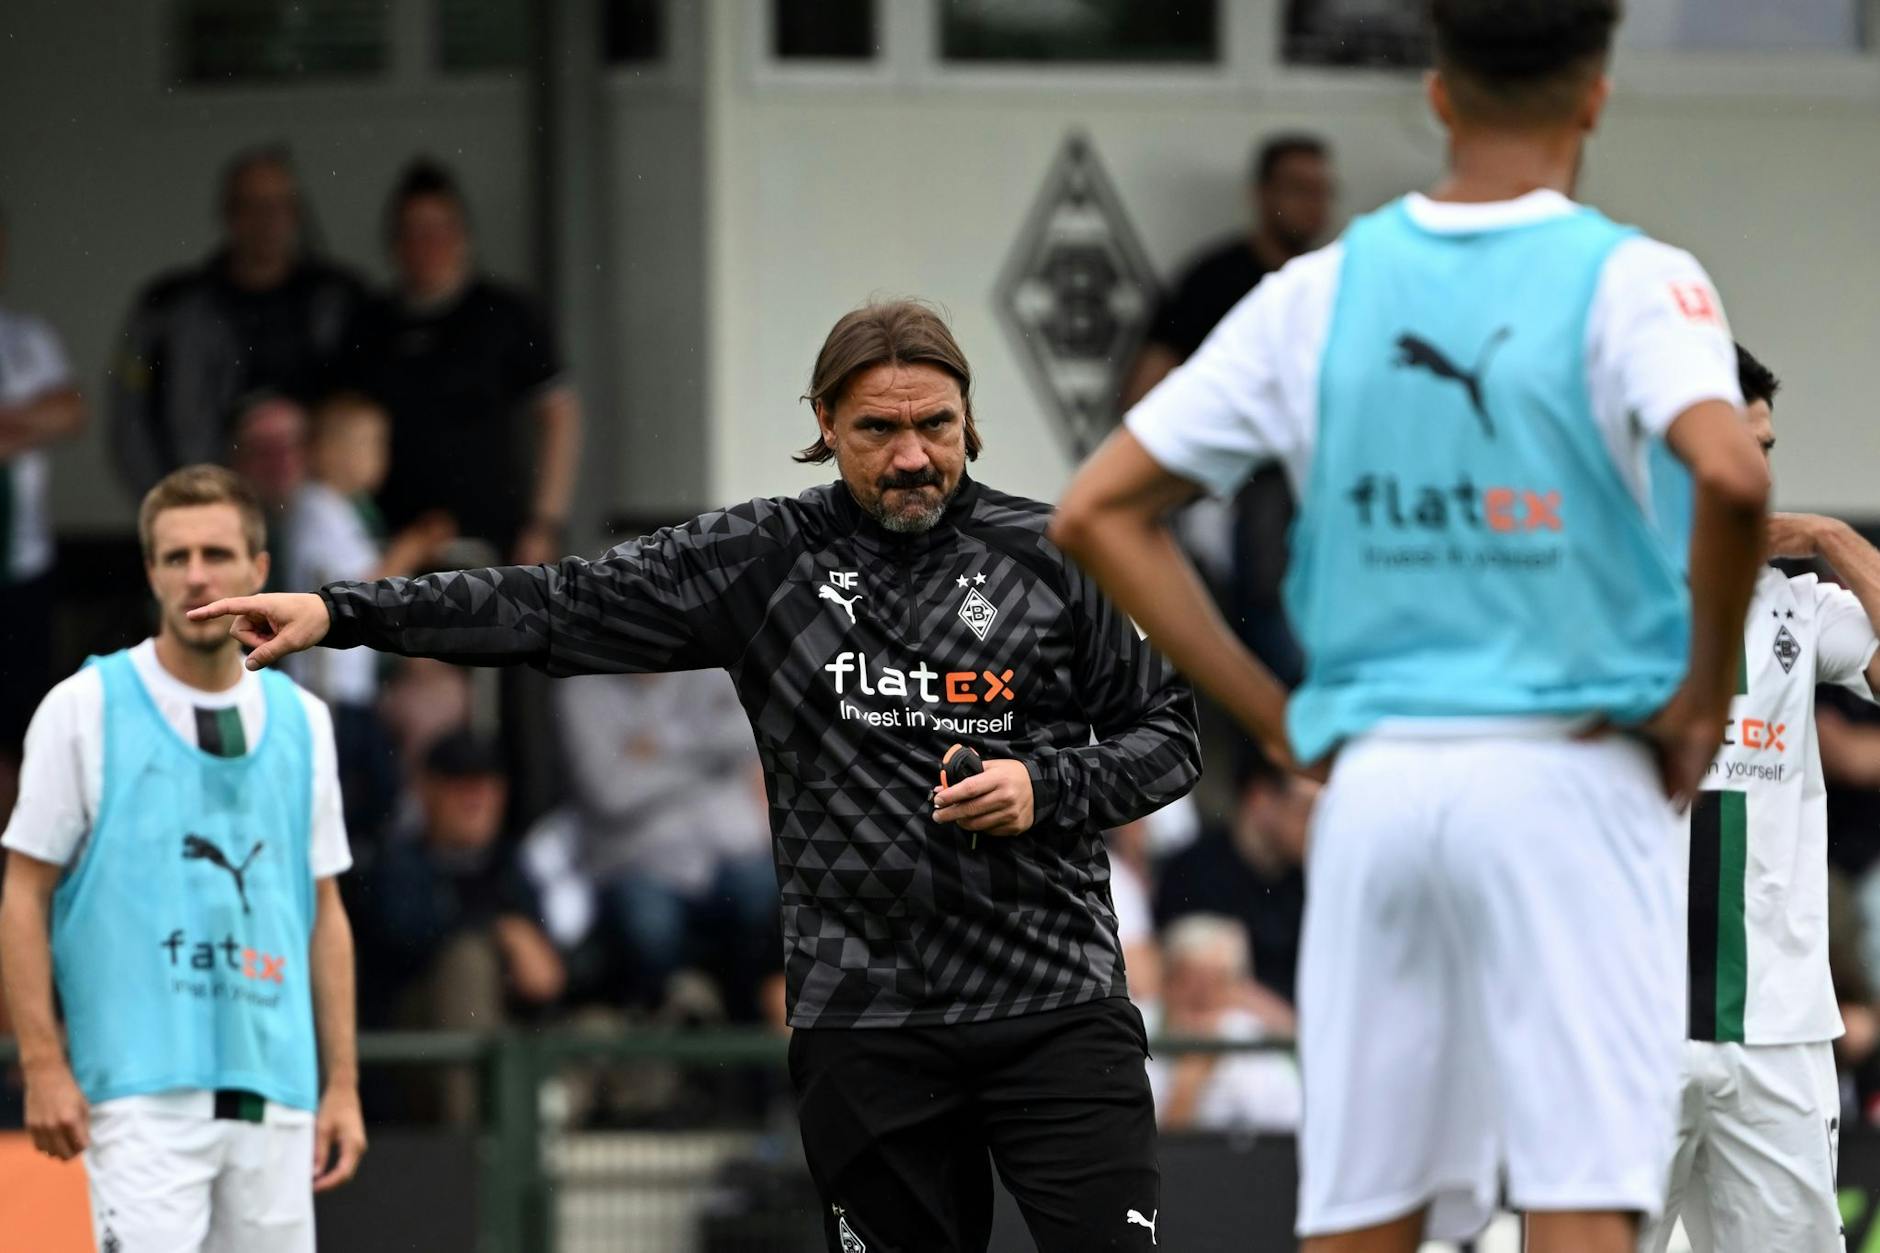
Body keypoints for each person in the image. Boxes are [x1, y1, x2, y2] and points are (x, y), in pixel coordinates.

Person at [191, 299, 1200, 1253]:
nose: (909, 455)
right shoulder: (763, 556)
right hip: (866, 1021)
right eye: (876, 428)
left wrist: (1044, 786)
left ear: (968, 417)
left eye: (934, 424)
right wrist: (348, 612)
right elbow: (555, 602)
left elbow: (1168, 736)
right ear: (823, 422)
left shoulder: (1052, 554)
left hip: (1053, 1005)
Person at [1050, 2, 1773, 1250]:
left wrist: (1282, 724)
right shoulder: (1640, 280)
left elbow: (1096, 511)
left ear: (1435, 93)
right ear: (1596, 92)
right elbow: (1732, 477)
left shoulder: (1318, 290)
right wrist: (1702, 698)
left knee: (1363, 1210)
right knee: (1577, 1195)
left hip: (1377, 788)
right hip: (1570, 775)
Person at [0, 466, 364, 1251]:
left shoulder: (305, 721)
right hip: (139, 1097)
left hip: (278, 1092)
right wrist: (43, 1061)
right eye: (175, 556)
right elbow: (23, 891)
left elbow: (324, 910)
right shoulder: (84, 706)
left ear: (260, 569)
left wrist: (343, 1083)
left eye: (216, 551)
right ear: (150, 572)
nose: (197, 573)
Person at [1639, 346, 1880, 1253]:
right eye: (1737, 449)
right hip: (1627, 1029)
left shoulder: (1802, 605)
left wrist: (1827, 537)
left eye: (1767, 449)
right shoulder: (1593, 601)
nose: (1758, 473)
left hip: (1777, 1033)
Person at [341, 158, 581, 566]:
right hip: (391, 546)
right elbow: (341, 428)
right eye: (415, 232)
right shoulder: (370, 323)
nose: (429, 243)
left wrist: (545, 523)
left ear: (464, 236)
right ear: (395, 243)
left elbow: (560, 416)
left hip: (492, 542)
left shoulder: (504, 313)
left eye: (440, 229)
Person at [109, 146, 363, 500]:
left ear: (296, 214)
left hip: (316, 510)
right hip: (207, 506)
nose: (267, 219)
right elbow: (130, 423)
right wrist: (175, 506)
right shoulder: (171, 308)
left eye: (279, 204)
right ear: (228, 213)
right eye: (252, 205)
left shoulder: (339, 300)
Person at [354, 730, 563, 1123]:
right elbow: (404, 942)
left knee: (599, 1027)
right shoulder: (397, 863)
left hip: (508, 1039)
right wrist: (499, 931)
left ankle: (531, 1128)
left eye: (486, 784)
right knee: (466, 964)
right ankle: (481, 1144)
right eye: (460, 784)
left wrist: (532, 955)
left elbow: (545, 976)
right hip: (418, 1056)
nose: (475, 799)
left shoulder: (512, 866)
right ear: (427, 789)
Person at [555, 668, 777, 1022]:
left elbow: (750, 733)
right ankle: (661, 1026)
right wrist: (708, 763)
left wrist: (661, 745)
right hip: (635, 864)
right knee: (650, 928)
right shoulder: (582, 687)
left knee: (770, 894)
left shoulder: (712, 671)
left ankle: (742, 1026)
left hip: (723, 856)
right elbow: (611, 792)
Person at [285, 392, 455, 844]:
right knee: (344, 793)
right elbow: (361, 590)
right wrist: (414, 546)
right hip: (325, 688)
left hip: (355, 687)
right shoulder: (315, 508)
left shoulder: (348, 513)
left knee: (375, 792)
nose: (378, 457)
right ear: (324, 452)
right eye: (366, 444)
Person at [1120, 133, 1337, 412]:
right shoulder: (1211, 282)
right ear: (1261, 193)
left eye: (1322, 191)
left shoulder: (1334, 279)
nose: (1313, 204)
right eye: (1299, 189)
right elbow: (1144, 393)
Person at [0, 207, 87, 810]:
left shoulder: (25, 336)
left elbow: (71, 411)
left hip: (21, 562)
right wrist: (23, 422)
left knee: (22, 722)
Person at [1155, 750, 1313, 1008]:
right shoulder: (1191, 873)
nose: (1315, 824)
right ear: (1260, 799)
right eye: (1305, 810)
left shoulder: (1312, 883)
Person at [1147, 915, 1302, 1135]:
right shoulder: (1133, 1031)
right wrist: (1185, 1090)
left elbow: (1289, 1129)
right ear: (1166, 983)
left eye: (1217, 984)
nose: (1203, 998)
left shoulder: (1252, 1043)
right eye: (1190, 982)